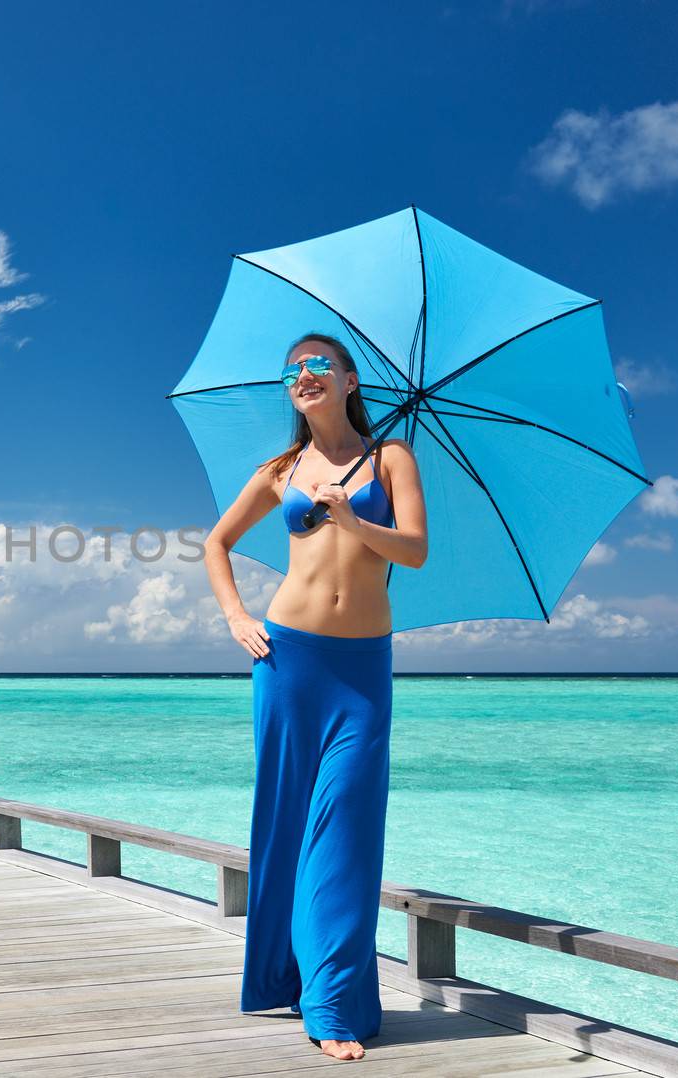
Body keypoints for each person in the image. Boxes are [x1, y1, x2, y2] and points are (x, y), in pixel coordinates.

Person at [202, 332, 428, 1062]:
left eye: (319, 364)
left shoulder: (391, 458)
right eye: (293, 368)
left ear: (351, 380)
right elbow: (217, 543)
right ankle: (294, 984)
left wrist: (355, 519)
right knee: (287, 818)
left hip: (362, 669)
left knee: (347, 830)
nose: (304, 375)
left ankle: (332, 1001)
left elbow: (417, 549)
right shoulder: (279, 471)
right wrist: (237, 617)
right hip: (288, 659)